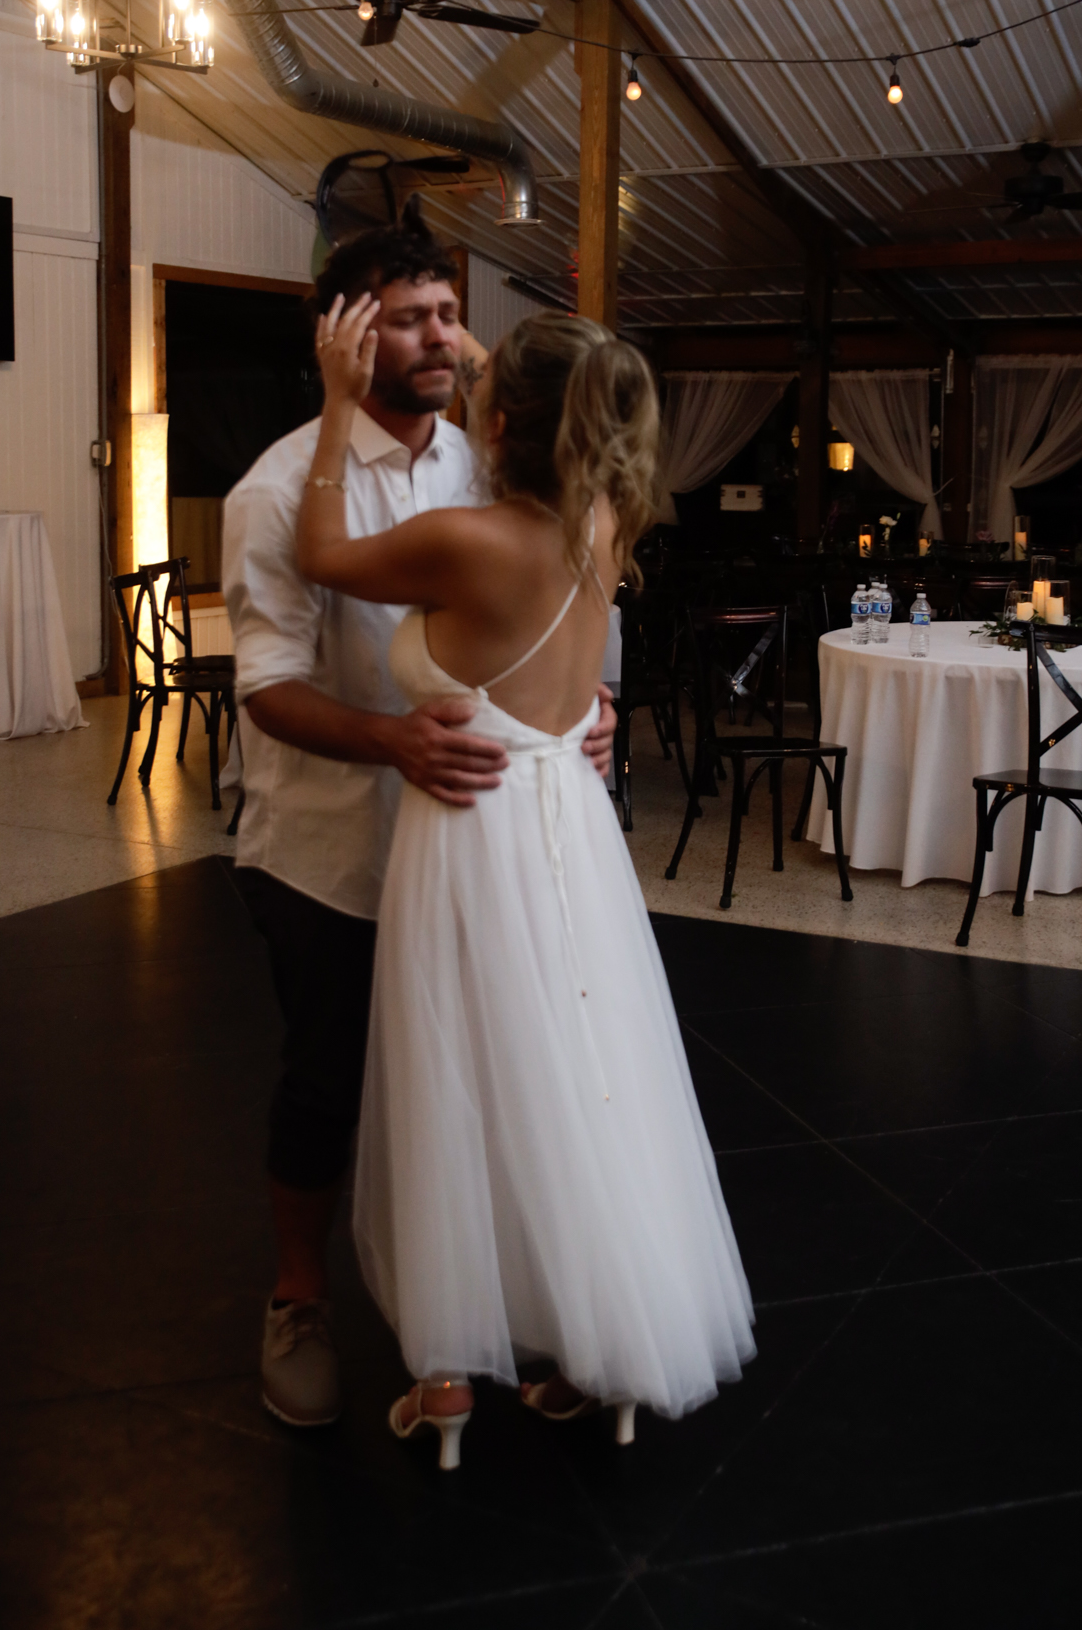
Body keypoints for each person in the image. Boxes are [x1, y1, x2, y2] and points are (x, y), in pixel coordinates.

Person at [295, 295, 755, 1469]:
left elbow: (320, 556)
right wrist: (504, 363)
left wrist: (340, 401)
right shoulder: (603, 520)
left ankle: (447, 1371)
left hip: (468, 831)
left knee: (456, 1071)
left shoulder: (462, 540)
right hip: (573, 832)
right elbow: (567, 396)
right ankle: (604, 1358)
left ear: (499, 424)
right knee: (583, 1071)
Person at [223, 209, 617, 1428]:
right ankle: (300, 1297)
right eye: (410, 318)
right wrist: (391, 738)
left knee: (491, 1083)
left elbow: (550, 591)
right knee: (328, 1082)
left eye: (450, 311)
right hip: (334, 847)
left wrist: (588, 705)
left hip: (482, 847)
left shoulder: (492, 461)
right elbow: (267, 686)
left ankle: (486, 1310)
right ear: (344, 337)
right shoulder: (278, 488)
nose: (444, 334)